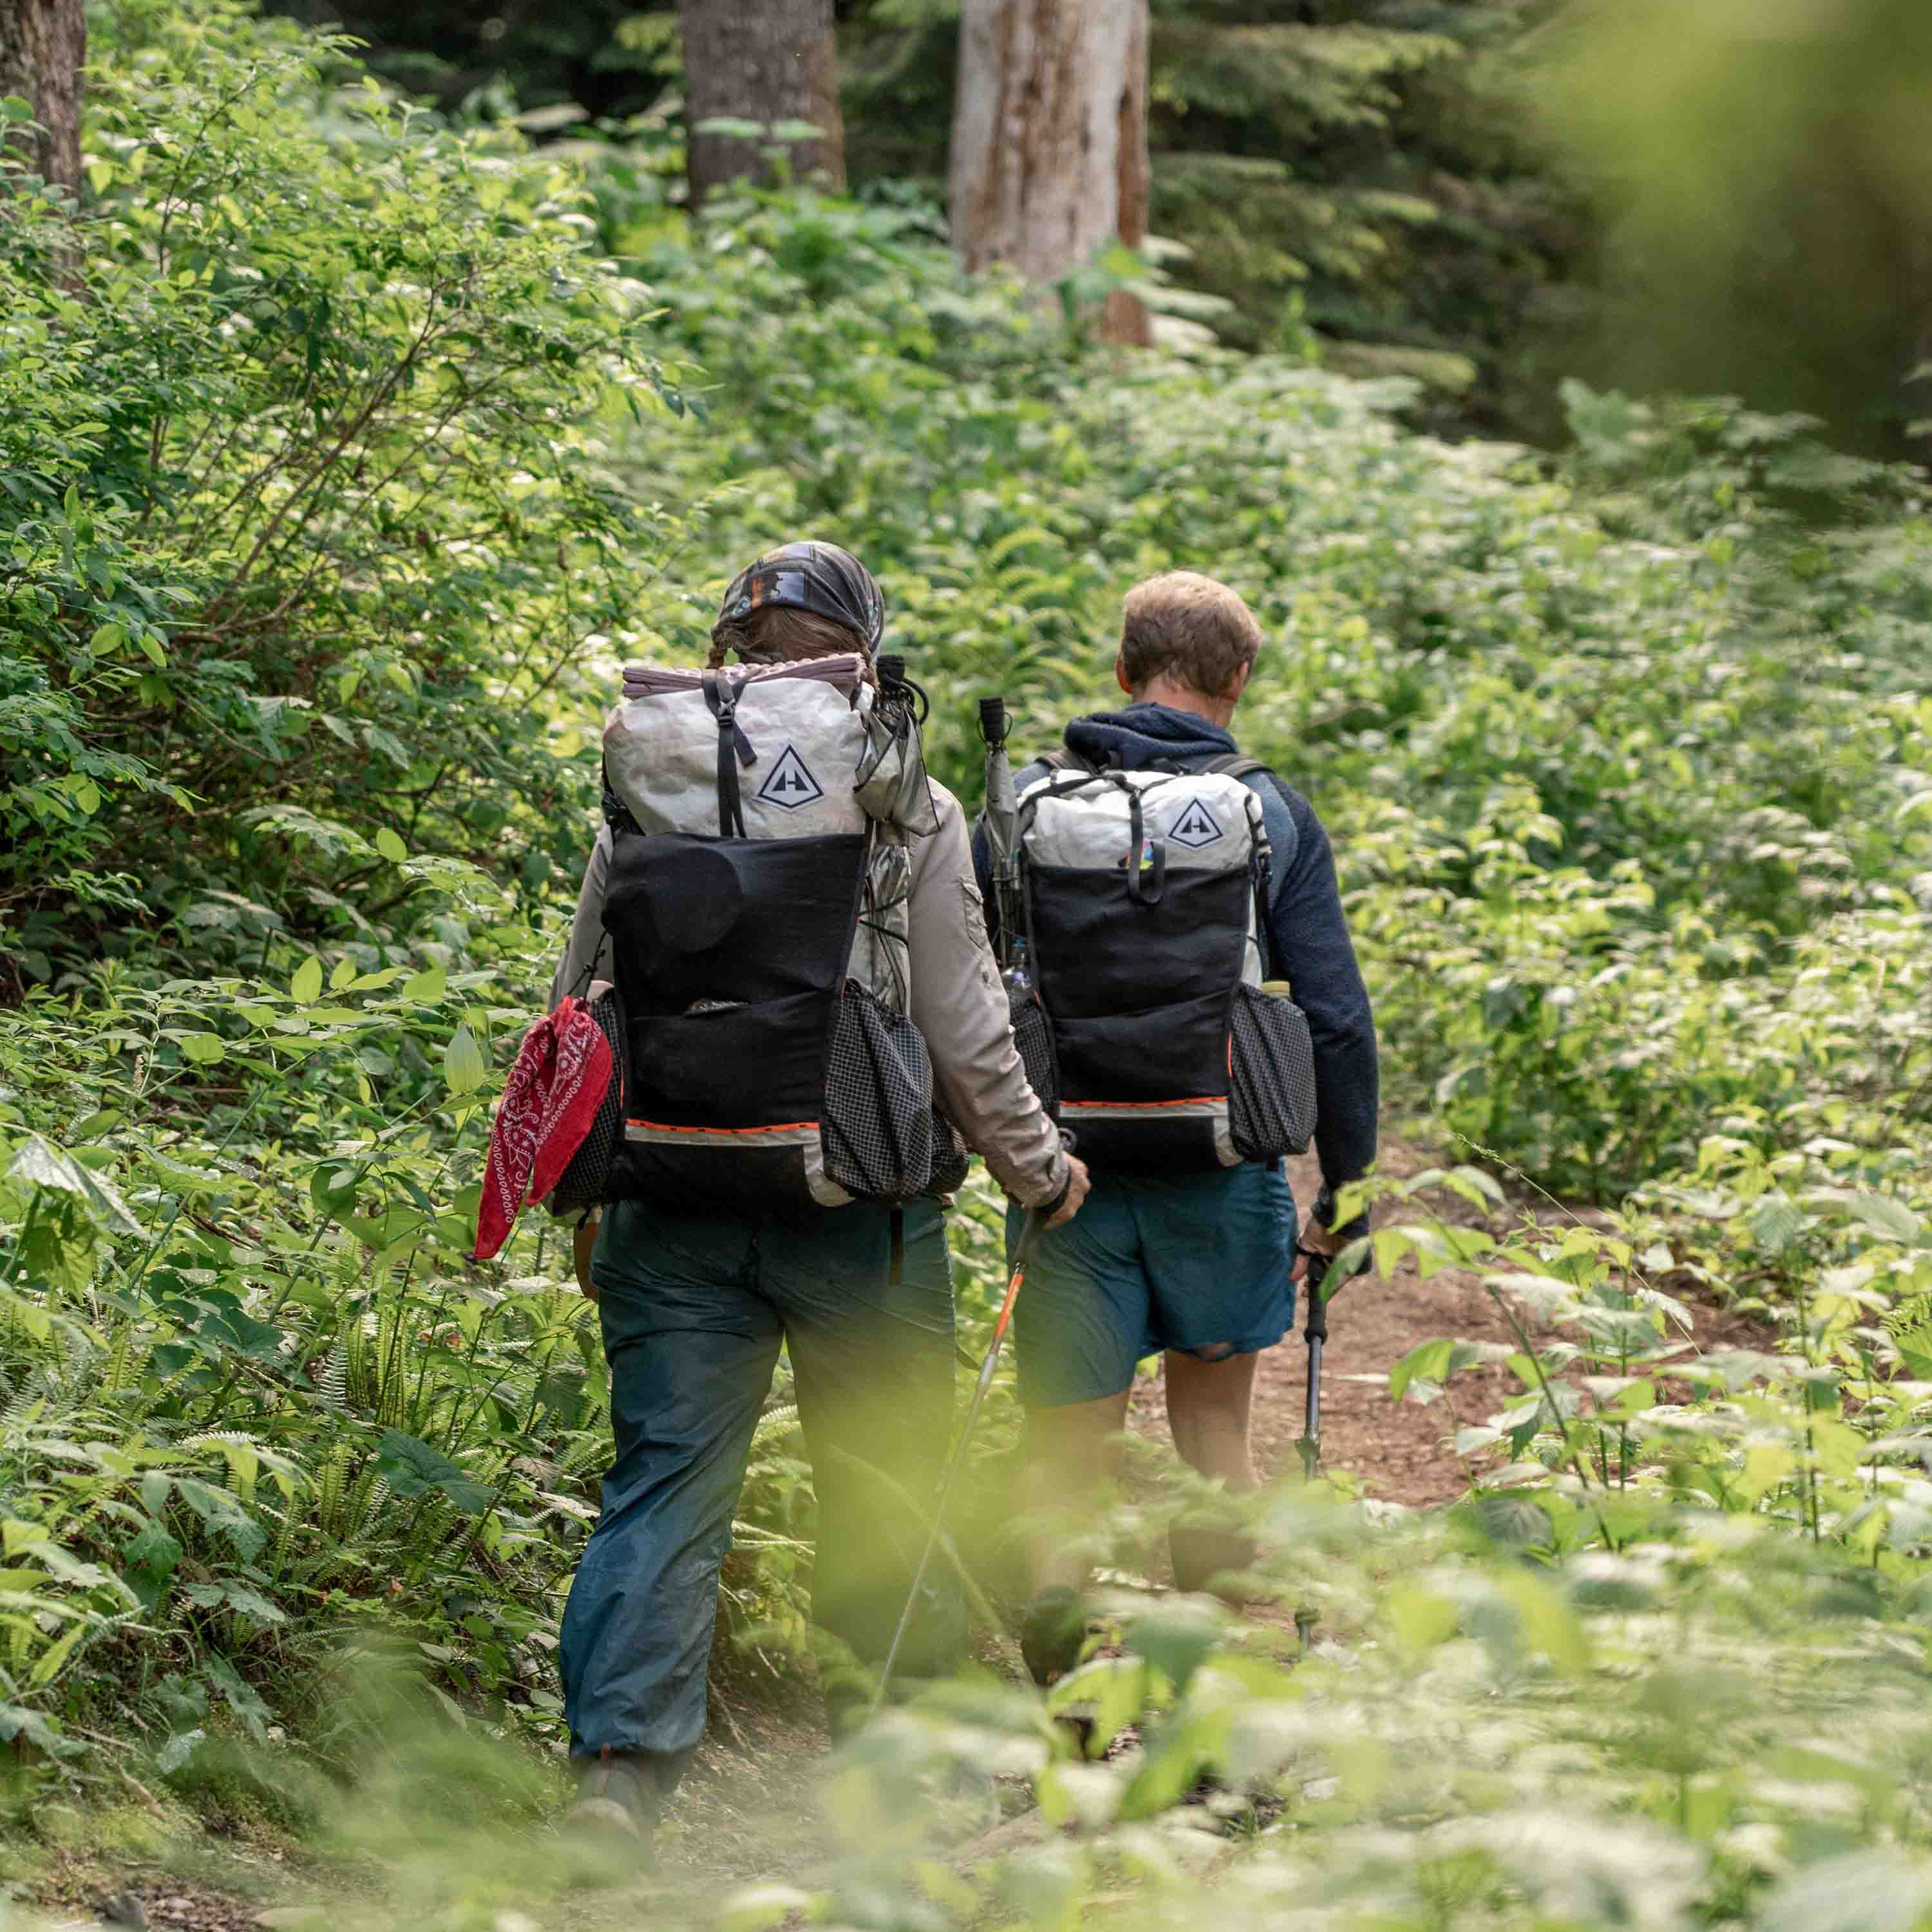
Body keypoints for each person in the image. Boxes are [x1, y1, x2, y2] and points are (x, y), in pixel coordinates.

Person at [551, 542, 1090, 1838]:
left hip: (667, 1195)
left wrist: (581, 1190)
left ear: (731, 649)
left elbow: (579, 1002)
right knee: (885, 1481)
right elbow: (966, 1034)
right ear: (856, 645)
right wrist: (1041, 1170)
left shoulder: (661, 778)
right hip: (865, 1218)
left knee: (666, 1478)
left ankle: (618, 1781)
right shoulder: (906, 793)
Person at [974, 570, 1378, 1679]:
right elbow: (1337, 1020)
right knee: (1212, 1439)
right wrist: (1347, 1196)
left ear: (1122, 669)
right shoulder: (1273, 813)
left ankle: (1062, 1668)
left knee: (1066, 1444)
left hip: (1068, 1177)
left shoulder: (1025, 810)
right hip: (1224, 1168)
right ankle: (1203, 1686)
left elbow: (968, 1000)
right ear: (1239, 680)